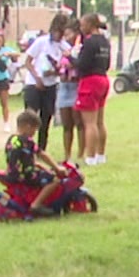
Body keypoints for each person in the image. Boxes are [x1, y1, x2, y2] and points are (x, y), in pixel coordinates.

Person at [5, 110, 67, 217]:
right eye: (34, 130)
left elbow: (21, 157)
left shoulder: (11, 139)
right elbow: (41, 154)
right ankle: (36, 205)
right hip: (25, 175)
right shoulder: (27, 140)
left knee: (43, 173)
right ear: (28, 126)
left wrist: (38, 165)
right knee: (54, 180)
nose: (34, 133)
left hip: (13, 172)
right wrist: (56, 167)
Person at [20, 16, 66, 153]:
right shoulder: (41, 42)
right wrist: (37, 78)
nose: (59, 36)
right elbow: (28, 62)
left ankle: (41, 149)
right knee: (30, 117)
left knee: (45, 119)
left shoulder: (63, 46)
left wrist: (57, 72)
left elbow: (66, 66)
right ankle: (25, 147)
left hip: (50, 84)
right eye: (58, 32)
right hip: (34, 84)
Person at [73, 13, 111, 165]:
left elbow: (82, 64)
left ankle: (90, 156)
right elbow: (108, 64)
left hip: (90, 80)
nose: (81, 28)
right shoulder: (105, 41)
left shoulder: (89, 42)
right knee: (100, 121)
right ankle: (101, 154)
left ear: (90, 24)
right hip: (103, 78)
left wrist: (70, 58)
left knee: (90, 122)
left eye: (83, 25)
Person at [55, 23, 83, 163]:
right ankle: (67, 155)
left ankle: (81, 153)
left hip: (76, 86)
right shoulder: (61, 49)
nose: (66, 38)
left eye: (69, 34)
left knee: (79, 122)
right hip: (64, 85)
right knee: (67, 125)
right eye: (64, 35)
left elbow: (80, 64)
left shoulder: (79, 49)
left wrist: (71, 58)